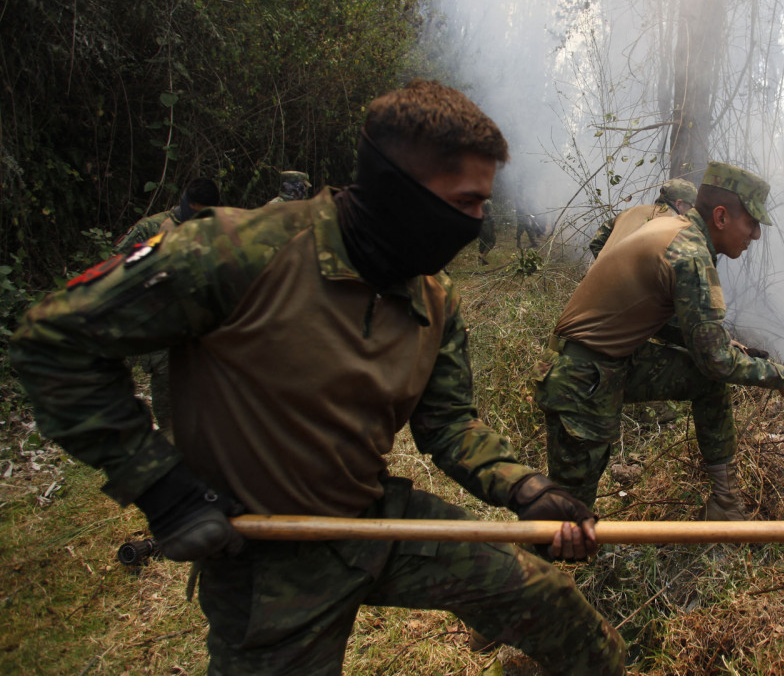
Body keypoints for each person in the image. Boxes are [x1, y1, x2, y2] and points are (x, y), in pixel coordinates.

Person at [12, 80, 625, 675]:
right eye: (465, 203)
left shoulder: (434, 297)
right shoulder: (243, 251)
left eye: (483, 203)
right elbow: (54, 341)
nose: (478, 221)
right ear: (399, 189)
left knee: (554, 607)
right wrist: (161, 488)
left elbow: (448, 424)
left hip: (373, 522)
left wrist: (526, 490)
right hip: (265, 563)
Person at [533, 162, 784, 521]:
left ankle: (726, 505)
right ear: (721, 217)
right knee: (567, 518)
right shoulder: (688, 252)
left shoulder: (678, 232)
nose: (755, 235)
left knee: (706, 381)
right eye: (751, 222)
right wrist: (782, 377)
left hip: (607, 365)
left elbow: (676, 328)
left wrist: (721, 344)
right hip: (580, 378)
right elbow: (715, 360)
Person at [113, 178, 222, 438]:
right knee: (165, 378)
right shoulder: (151, 228)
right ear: (186, 202)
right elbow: (117, 268)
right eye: (193, 212)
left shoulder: (213, 229)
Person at [588, 177, 696, 259]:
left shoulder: (630, 212)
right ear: (678, 204)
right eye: (690, 207)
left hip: (597, 280)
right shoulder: (674, 225)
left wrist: (605, 266)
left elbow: (596, 241)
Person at [478, 198, 496, 264]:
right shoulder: (487, 202)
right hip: (487, 224)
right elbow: (489, 214)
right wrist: (493, 225)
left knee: (483, 240)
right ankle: (483, 256)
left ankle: (481, 258)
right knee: (491, 241)